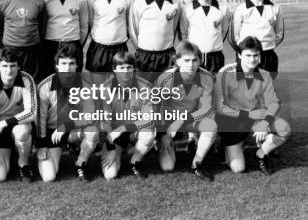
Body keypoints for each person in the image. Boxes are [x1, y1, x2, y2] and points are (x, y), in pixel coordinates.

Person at [215, 36, 290, 175]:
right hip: (232, 122)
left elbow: (274, 103)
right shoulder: (225, 73)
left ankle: (260, 154)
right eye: (248, 55)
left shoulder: (265, 75)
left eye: (255, 55)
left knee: (284, 129)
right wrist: (248, 114)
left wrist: (265, 123)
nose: (252, 59)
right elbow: (220, 107)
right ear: (239, 55)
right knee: (238, 169)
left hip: (255, 118)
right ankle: (228, 146)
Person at [35, 43, 99, 182]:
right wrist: (41, 144)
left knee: (92, 131)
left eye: (71, 63)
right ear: (57, 65)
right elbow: (40, 120)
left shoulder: (86, 84)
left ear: (77, 66)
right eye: (63, 63)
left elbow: (91, 115)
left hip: (72, 129)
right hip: (52, 132)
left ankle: (80, 164)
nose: (68, 68)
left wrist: (66, 126)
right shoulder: (45, 86)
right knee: (49, 177)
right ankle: (55, 153)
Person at [156, 41, 217, 181]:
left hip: (189, 119)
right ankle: (163, 144)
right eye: (186, 60)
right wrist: (162, 135)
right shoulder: (166, 78)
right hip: (169, 122)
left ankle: (196, 164)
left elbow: (206, 109)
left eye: (195, 60)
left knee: (211, 126)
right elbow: (156, 109)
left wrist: (182, 120)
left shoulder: (206, 77)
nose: (191, 64)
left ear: (200, 60)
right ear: (177, 61)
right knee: (167, 167)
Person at [0, 48, 38, 182]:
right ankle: (9, 153)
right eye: (4, 66)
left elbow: (32, 112)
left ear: (18, 66)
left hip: (18, 124)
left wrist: (4, 123)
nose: (9, 70)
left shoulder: (26, 79)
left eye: (13, 66)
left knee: (22, 131)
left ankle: (23, 164)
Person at [99, 52, 156, 179]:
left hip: (134, 131)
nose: (126, 71)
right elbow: (105, 122)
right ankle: (118, 151)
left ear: (134, 68)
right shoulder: (105, 89)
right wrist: (111, 147)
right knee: (110, 175)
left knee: (148, 136)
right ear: (114, 69)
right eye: (122, 68)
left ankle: (134, 162)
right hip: (113, 135)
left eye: (129, 67)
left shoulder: (145, 87)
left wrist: (123, 128)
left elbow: (149, 119)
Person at [0, 0, 47, 80]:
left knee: (31, 84)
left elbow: (42, 29)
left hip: (32, 51)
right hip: (10, 49)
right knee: (11, 84)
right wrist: (4, 49)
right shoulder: (2, 2)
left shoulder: (39, 2)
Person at [129, 0, 181, 82]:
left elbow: (174, 27)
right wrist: (143, 49)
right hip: (144, 56)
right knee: (144, 93)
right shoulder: (139, 3)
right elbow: (133, 30)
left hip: (167, 56)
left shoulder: (175, 3)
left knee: (166, 93)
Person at [41, 0, 89, 78]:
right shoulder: (43, 0)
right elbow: (40, 28)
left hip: (73, 45)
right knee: (50, 83)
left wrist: (75, 45)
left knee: (73, 84)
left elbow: (84, 27)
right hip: (50, 46)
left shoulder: (80, 0)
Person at [230, 0, 284, 77]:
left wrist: (266, 46)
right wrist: (245, 50)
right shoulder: (240, 9)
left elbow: (279, 35)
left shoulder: (275, 8)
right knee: (245, 88)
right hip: (247, 55)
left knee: (266, 88)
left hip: (267, 55)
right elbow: (235, 36)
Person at [85, 0, 133, 72]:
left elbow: (129, 24)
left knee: (120, 87)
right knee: (98, 87)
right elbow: (91, 23)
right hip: (98, 48)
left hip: (120, 48)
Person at [180, 0, 231, 73]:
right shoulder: (187, 9)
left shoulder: (223, 9)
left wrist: (213, 45)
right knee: (195, 87)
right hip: (194, 57)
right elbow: (183, 33)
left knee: (215, 87)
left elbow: (224, 31)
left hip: (216, 57)